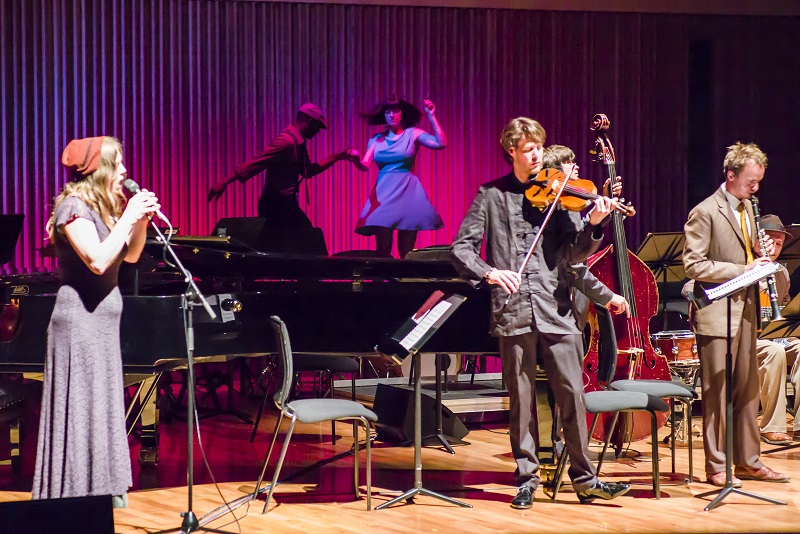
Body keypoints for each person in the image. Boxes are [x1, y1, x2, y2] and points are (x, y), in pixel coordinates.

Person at [450, 117, 629, 508]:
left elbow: (573, 256)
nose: (536, 156)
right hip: (512, 309)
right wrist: (490, 272)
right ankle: (527, 478)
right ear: (511, 150)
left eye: (539, 148)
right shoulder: (490, 195)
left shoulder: (559, 193)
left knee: (573, 393)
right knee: (521, 398)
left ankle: (585, 479)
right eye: (529, 149)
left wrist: (594, 224)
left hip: (556, 308)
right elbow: (461, 249)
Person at [33, 136, 160, 506]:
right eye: (117, 164)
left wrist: (140, 222)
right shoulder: (72, 208)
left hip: (102, 326)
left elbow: (131, 256)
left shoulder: (103, 211)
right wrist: (129, 216)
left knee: (101, 406)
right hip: (79, 324)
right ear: (99, 170)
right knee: (80, 407)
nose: (124, 171)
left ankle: (102, 489)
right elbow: (99, 261)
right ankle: (73, 494)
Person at [682, 142, 789, 487]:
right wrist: (743, 269)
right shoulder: (705, 211)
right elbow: (693, 264)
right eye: (750, 181)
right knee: (717, 391)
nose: (755, 189)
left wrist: (760, 254)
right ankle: (717, 465)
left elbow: (748, 254)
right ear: (730, 175)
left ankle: (748, 461)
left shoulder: (748, 210)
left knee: (748, 388)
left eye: (758, 182)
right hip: (716, 311)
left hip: (746, 310)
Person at [208, 103, 358, 228]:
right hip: (276, 205)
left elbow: (308, 171)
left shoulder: (298, 143)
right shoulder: (286, 142)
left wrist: (337, 157)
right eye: (317, 126)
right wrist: (224, 181)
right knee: (305, 240)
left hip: (285, 204)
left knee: (302, 241)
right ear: (308, 120)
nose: (318, 131)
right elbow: (257, 162)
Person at [541, 145, 630, 326]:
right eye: (568, 162)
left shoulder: (568, 202)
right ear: (555, 170)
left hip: (566, 301)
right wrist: (608, 295)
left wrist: (605, 202)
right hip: (555, 301)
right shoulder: (555, 206)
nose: (576, 166)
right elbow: (573, 264)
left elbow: (581, 232)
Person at [352, 95, 446, 258]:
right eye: (387, 112)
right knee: (383, 250)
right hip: (384, 195)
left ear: (402, 113)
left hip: (408, 194)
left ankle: (406, 275)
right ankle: (383, 276)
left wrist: (431, 115)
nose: (391, 115)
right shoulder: (376, 140)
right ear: (383, 115)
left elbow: (440, 143)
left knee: (406, 252)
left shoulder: (413, 133)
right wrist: (355, 160)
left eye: (395, 111)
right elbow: (365, 165)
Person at [754, 214, 800, 444]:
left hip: (773, 336)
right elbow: (692, 288)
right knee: (774, 351)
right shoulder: (742, 265)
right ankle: (772, 426)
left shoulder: (781, 272)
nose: (773, 246)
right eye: (768, 240)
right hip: (745, 338)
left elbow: (783, 307)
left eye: (779, 243)